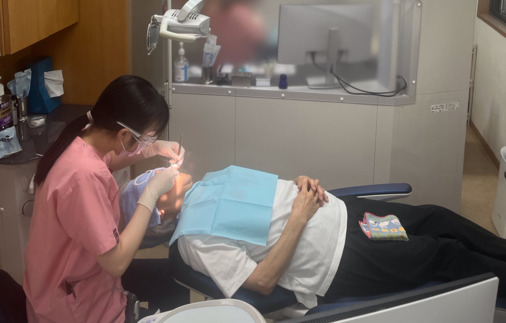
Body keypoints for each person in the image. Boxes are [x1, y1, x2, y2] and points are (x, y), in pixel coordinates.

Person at [165, 166, 506, 309]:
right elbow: (263, 282)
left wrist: (298, 181)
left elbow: (266, 200)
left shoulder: (209, 181)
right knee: (445, 254)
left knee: (437, 217)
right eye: (154, 179)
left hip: (341, 211)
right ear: (160, 208)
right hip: (335, 258)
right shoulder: (194, 239)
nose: (167, 169)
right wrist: (299, 217)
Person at [24, 75, 190, 323]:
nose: (148, 142)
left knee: (175, 278)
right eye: (147, 137)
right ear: (124, 134)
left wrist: (151, 149)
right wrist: (151, 194)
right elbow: (116, 262)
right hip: (71, 306)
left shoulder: (84, 136)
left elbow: (108, 158)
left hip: (83, 279)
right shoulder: (83, 176)